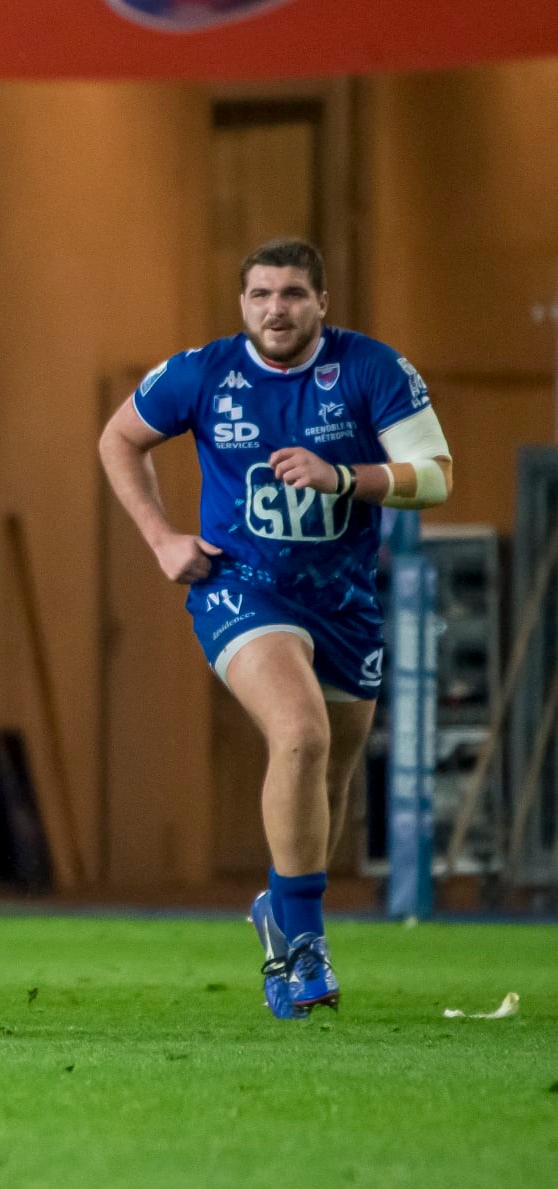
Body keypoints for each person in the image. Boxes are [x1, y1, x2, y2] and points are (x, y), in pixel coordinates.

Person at [97, 238, 453, 1020]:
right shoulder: (204, 370)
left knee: (328, 781)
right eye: (259, 294)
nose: (274, 309)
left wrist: (343, 477)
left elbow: (435, 474)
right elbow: (117, 437)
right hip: (242, 591)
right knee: (298, 733)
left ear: (321, 303)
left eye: (291, 294)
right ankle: (303, 945)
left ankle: (277, 911)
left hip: (346, 602)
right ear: (241, 304)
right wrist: (161, 538)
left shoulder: (370, 370)